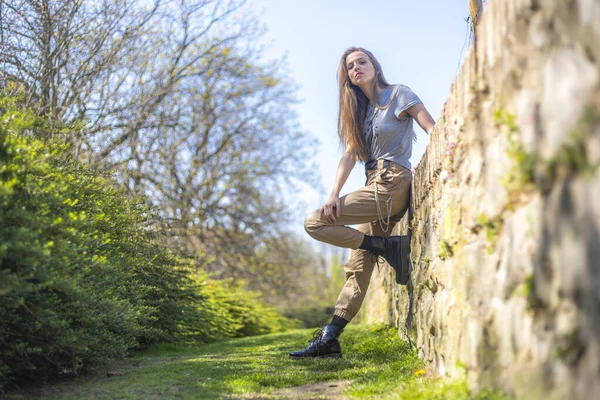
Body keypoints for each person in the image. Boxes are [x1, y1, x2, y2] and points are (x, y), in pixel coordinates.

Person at [289, 47, 436, 359]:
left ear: (374, 65)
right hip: (373, 187)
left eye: (361, 62)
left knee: (314, 222)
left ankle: (385, 246)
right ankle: (330, 339)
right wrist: (333, 195)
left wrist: (443, 148)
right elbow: (348, 155)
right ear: (348, 78)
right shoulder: (361, 112)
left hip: (392, 182)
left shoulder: (398, 94)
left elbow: (430, 126)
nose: (357, 68)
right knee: (357, 267)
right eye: (350, 67)